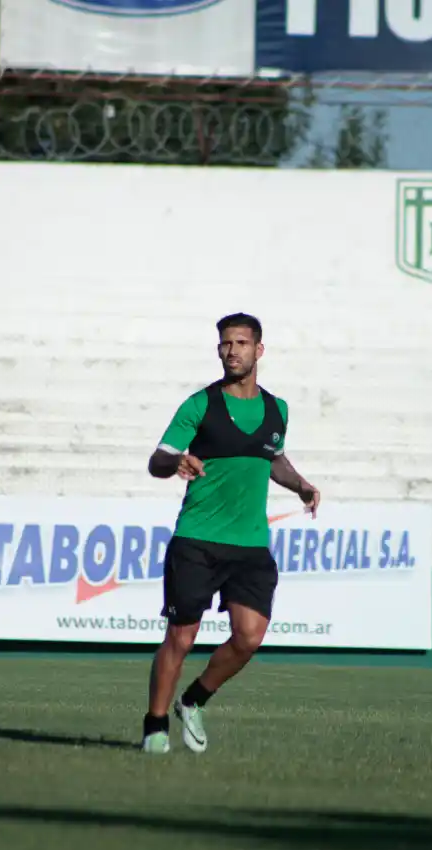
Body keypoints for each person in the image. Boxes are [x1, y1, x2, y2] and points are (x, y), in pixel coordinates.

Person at [141, 312, 320, 754]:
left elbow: (273, 458)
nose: (232, 351)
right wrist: (176, 462)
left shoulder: (277, 410)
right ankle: (155, 728)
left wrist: (300, 485)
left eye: (241, 343)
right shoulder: (199, 405)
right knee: (180, 638)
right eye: (225, 343)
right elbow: (158, 460)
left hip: (250, 544)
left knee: (249, 638)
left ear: (259, 350)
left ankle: (194, 700)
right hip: (198, 539)